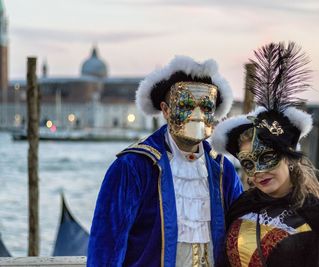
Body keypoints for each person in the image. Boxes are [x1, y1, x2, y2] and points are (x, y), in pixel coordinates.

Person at [87, 55, 243, 267]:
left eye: (206, 107)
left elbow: (241, 235)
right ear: (166, 110)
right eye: (186, 105)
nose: (197, 115)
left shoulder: (224, 171)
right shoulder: (133, 167)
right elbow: (107, 245)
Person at [211, 42, 319, 267]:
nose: (258, 171)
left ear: (289, 159)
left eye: (266, 157)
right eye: (248, 163)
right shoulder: (241, 206)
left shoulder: (318, 216)